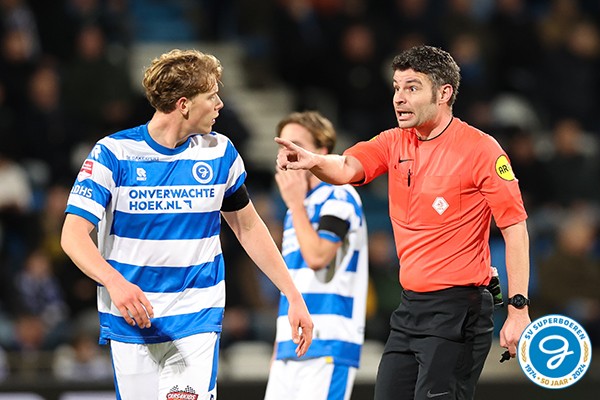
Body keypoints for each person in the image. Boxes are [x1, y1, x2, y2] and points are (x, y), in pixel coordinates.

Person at [275, 45, 531, 400]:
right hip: (409, 308)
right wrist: (313, 160)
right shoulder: (393, 142)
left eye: (412, 88)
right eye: (396, 87)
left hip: (459, 310)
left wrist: (518, 310)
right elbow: (346, 167)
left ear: (444, 93)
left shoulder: (481, 150)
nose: (399, 98)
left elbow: (515, 227)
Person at [60, 48, 313, 400]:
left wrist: (292, 294)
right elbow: (72, 236)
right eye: (212, 96)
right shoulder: (113, 154)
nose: (220, 105)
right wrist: (115, 283)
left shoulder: (219, 152)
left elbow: (248, 227)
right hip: (132, 318)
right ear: (183, 104)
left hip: (196, 317)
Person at [264, 111, 369, 400]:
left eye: (296, 145)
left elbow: (318, 257)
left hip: (328, 342)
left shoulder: (339, 195)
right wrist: (279, 343)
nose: (287, 155)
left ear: (320, 153)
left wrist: (296, 206)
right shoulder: (296, 207)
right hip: (289, 345)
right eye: (283, 146)